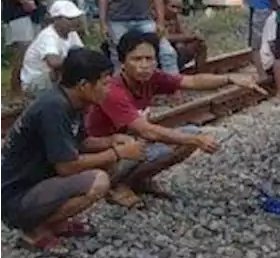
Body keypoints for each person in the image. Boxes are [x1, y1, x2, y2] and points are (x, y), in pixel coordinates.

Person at [85, 31, 264, 207]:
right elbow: (147, 130)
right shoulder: (113, 91)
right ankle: (116, 186)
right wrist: (196, 140)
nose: (144, 65)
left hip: (129, 145)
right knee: (181, 139)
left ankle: (136, 181)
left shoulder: (152, 78)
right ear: (123, 62)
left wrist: (229, 78)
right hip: (102, 154)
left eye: (149, 59)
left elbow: (191, 82)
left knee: (188, 136)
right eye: (136, 59)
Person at [0, 48, 133, 250]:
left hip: (36, 184)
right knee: (99, 180)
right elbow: (66, 166)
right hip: (15, 196)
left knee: (107, 162)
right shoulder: (54, 108)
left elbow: (80, 143)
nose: (108, 90)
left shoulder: (72, 102)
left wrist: (112, 141)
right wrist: (116, 153)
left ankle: (56, 223)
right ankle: (35, 231)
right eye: (104, 84)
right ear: (83, 85)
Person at [20, 0, 86, 95]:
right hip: (35, 82)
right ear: (56, 19)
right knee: (59, 70)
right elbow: (53, 62)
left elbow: (82, 52)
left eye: (74, 18)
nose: (74, 22)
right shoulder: (48, 36)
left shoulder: (71, 33)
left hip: (48, 80)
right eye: (69, 19)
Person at [163, 0, 207, 71]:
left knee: (200, 44)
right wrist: (187, 37)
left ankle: (199, 73)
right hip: (163, 52)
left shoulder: (177, 18)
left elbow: (185, 33)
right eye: (173, 7)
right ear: (164, 6)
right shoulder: (158, 18)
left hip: (177, 50)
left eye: (179, 8)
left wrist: (194, 36)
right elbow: (164, 37)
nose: (175, 11)